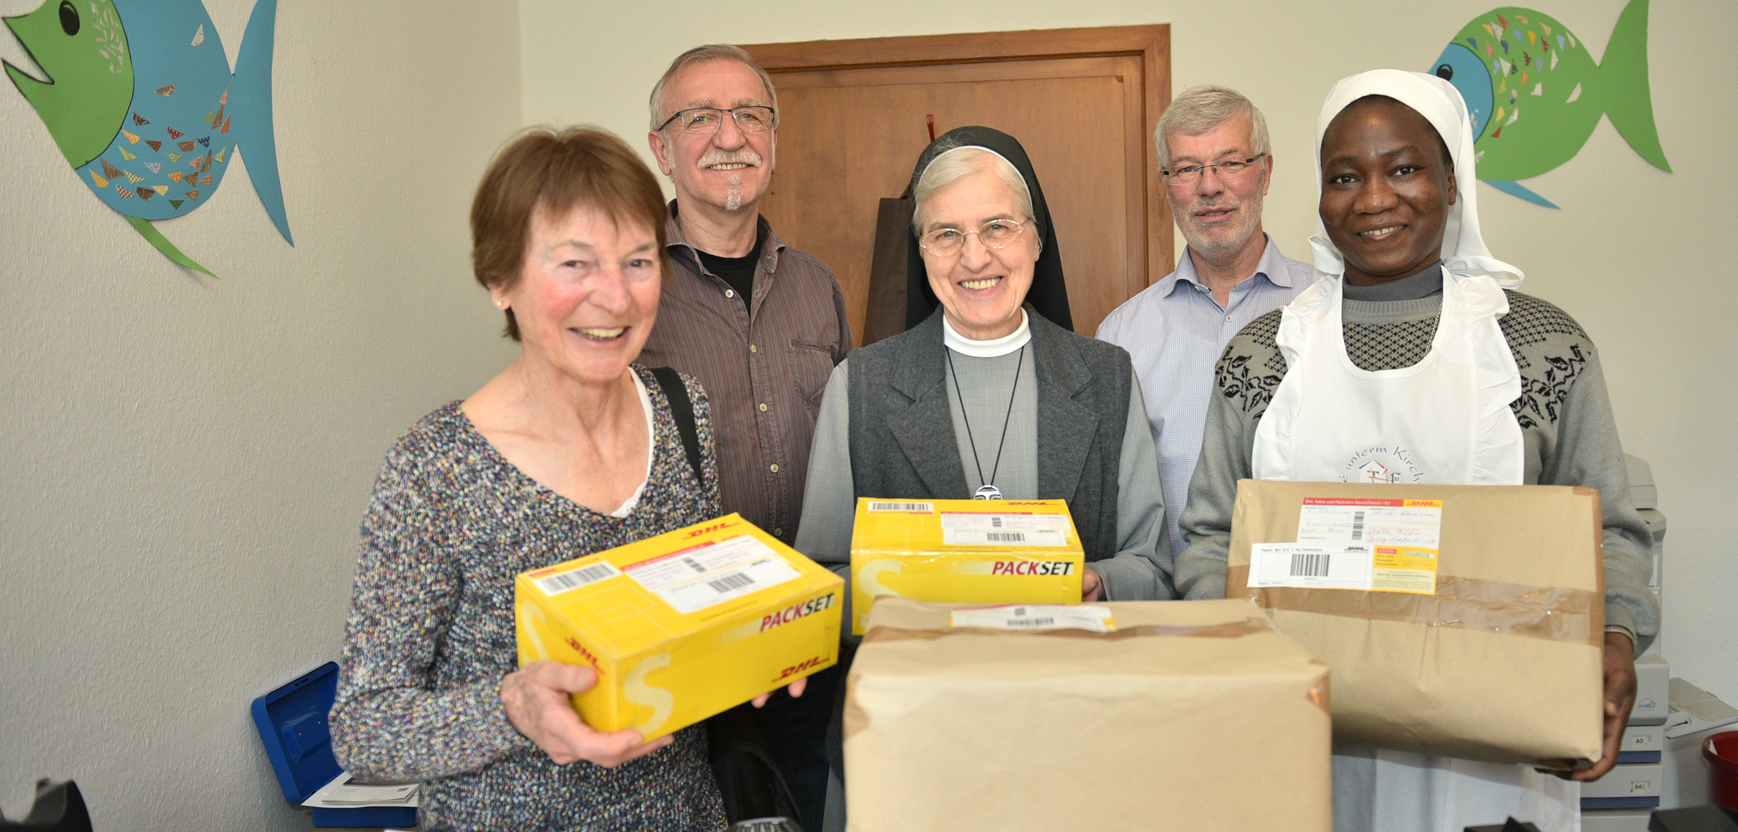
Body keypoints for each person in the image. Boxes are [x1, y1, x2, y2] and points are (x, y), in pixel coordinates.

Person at [1172, 70, 1659, 832]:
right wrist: (1237, 652)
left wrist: (1617, 638)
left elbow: (1613, 532)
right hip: (1301, 742)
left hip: (1500, 763)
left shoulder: (1540, 346)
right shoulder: (1263, 356)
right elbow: (1208, 536)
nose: (1372, 198)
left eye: (1403, 168)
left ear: (1451, 182)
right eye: (1343, 176)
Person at [329, 126, 798, 831]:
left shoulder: (680, 410)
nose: (614, 297)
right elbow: (365, 725)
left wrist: (754, 646)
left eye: (637, 261)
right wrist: (511, 708)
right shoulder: (434, 469)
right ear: (499, 279)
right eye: (575, 264)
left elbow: (696, 605)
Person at [795, 125, 1173, 607]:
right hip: (925, 675)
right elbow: (821, 583)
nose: (974, 258)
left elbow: (1153, 569)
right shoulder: (859, 386)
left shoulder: (1107, 377)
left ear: (1037, 241)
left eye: (997, 226)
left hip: (1068, 673)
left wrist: (1100, 583)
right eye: (946, 233)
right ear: (922, 251)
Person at [638, 44, 852, 827]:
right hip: (681, 648)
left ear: (775, 140)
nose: (731, 135)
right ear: (661, 148)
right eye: (700, 117)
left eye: (750, 115)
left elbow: (849, 450)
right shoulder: (629, 288)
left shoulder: (818, 285)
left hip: (806, 645)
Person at [1095, 85, 1313, 556]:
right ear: (1167, 185)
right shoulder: (1120, 337)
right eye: (1188, 168)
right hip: (1166, 614)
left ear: (1265, 172)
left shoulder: (1328, 307)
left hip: (1303, 604)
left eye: (1230, 163)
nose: (1209, 186)